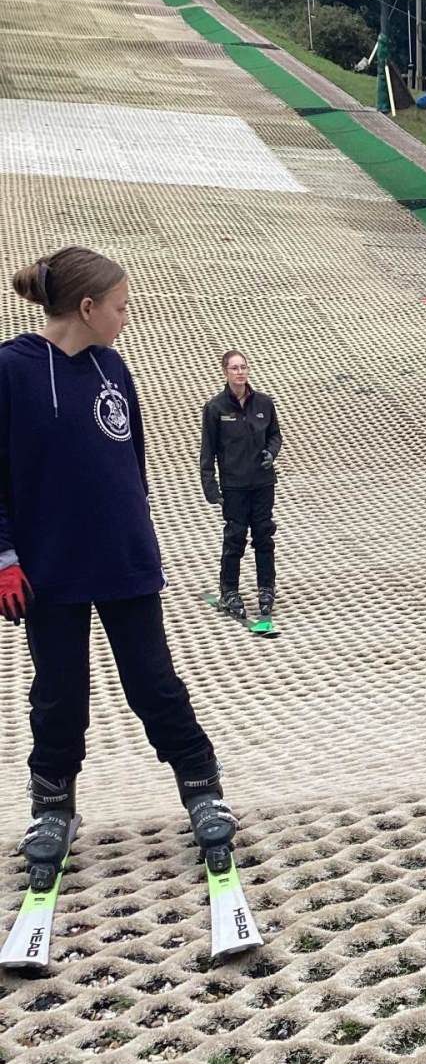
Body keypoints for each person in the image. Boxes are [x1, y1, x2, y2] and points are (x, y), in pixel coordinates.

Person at [0, 247, 237, 887]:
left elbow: (131, 463)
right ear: (87, 308)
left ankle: (202, 787)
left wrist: (139, 536)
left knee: (153, 683)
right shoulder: (12, 370)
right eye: (120, 307)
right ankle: (53, 806)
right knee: (59, 692)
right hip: (48, 570)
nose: (125, 318)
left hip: (122, 560)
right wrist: (5, 558)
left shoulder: (113, 368)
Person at [200, 349, 283, 622]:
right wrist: (210, 485)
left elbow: (275, 435)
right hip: (234, 485)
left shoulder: (264, 403)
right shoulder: (215, 408)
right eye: (235, 368)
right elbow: (208, 450)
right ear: (225, 372)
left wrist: (271, 453)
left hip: (262, 483)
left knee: (263, 535)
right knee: (235, 537)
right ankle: (229, 590)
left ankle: (266, 587)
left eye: (243, 367)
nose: (240, 372)